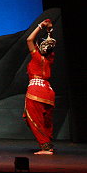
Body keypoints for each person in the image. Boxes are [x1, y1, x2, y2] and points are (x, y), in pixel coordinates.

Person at [24, 18, 57, 155]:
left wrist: (40, 26)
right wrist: (49, 30)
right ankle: (48, 145)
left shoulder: (37, 57)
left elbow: (29, 40)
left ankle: (45, 147)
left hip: (36, 91)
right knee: (46, 120)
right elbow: (50, 45)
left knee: (34, 118)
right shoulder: (50, 59)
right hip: (48, 91)